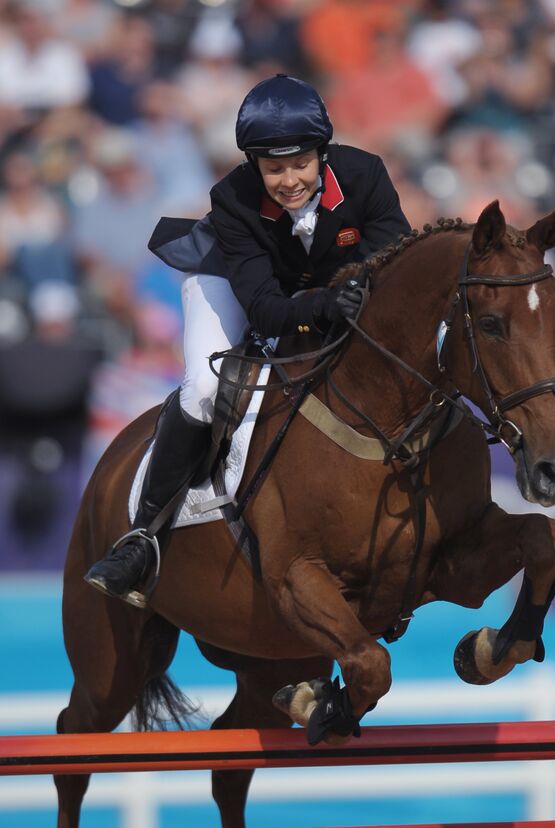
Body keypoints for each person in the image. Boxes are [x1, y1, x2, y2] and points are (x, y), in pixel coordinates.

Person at [85, 73, 410, 606]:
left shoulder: (366, 175)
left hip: (324, 289)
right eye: (273, 168)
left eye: (300, 164)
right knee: (204, 392)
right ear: (253, 165)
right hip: (233, 283)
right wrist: (328, 303)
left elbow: (394, 264)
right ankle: (143, 536)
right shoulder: (232, 199)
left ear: (322, 154)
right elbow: (263, 307)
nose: (288, 180)